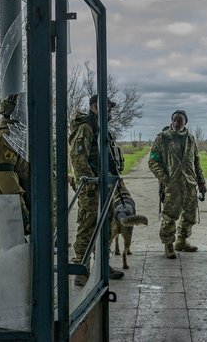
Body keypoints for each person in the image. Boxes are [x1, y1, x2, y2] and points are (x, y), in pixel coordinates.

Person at [68, 94, 125, 286]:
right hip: (92, 188)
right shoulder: (86, 127)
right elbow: (78, 158)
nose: (109, 111)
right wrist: (91, 183)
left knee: (106, 227)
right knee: (87, 227)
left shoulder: (103, 129)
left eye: (109, 108)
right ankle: (81, 270)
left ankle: (102, 264)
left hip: (105, 186)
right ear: (94, 107)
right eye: (106, 107)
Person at [148, 110, 207, 259]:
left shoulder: (191, 139)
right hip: (172, 186)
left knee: (190, 216)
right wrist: (165, 179)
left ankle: (181, 241)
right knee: (169, 217)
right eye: (174, 120)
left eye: (179, 120)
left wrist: (201, 183)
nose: (176, 123)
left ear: (185, 122)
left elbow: (196, 163)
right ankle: (168, 245)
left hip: (189, 184)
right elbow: (153, 161)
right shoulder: (163, 138)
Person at [0, 93, 31, 234]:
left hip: (22, 205)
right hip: (15, 212)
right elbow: (5, 177)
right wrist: (22, 214)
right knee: (17, 252)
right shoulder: (6, 136)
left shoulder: (16, 135)